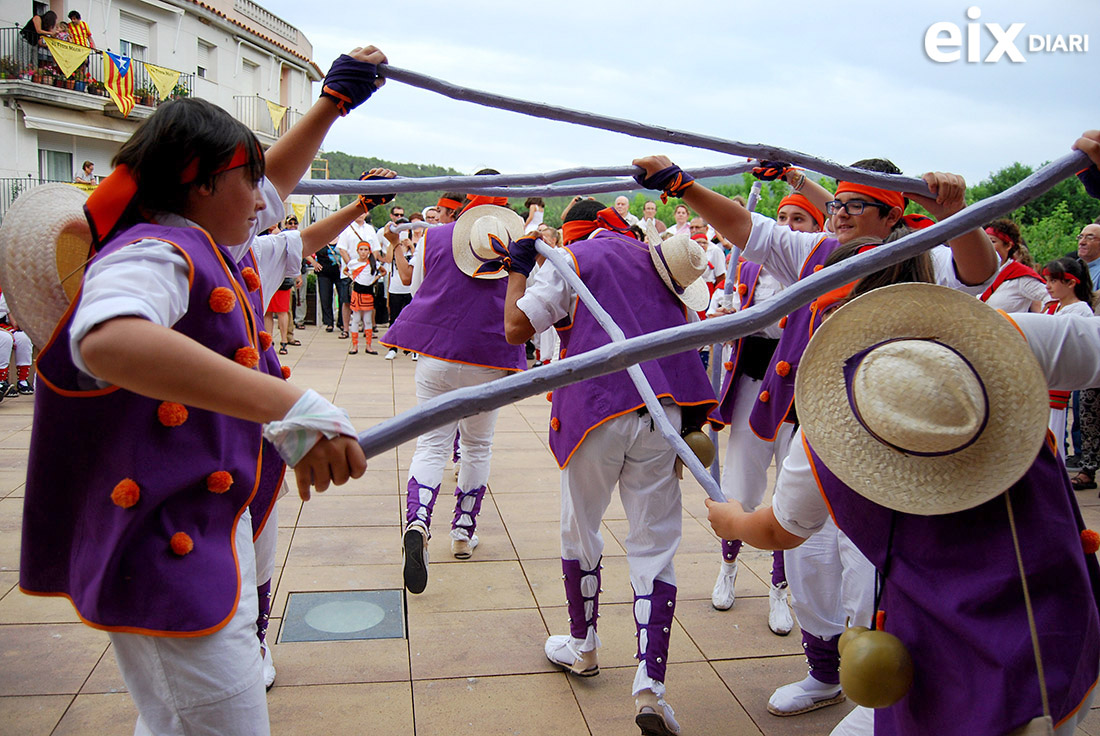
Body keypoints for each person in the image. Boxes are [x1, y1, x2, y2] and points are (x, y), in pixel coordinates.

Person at [14, 46, 386, 735]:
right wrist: (293, 407)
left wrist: (332, 105)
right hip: (164, 541)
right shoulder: (155, 251)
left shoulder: (209, 240)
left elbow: (270, 189)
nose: (266, 199)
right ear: (201, 186)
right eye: (246, 179)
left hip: (203, 523)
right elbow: (107, 340)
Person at [632, 153, 997, 719]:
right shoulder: (818, 250)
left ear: (891, 212)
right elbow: (746, 227)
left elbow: (980, 272)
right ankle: (825, 672)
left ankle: (878, 695)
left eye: (855, 205)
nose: (840, 213)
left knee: (867, 562)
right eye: (839, 203)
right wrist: (685, 186)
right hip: (813, 427)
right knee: (809, 556)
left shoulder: (928, 258)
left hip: (886, 440)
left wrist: (958, 213)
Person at [705, 282, 1100, 736]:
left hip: (961, 659)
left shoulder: (827, 434)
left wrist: (731, 520)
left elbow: (779, 530)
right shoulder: (1008, 336)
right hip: (1064, 628)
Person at [503, 198, 719, 736]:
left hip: (596, 408)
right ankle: (650, 688)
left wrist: (517, 267)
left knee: (580, 528)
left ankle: (584, 647)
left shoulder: (572, 259)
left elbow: (514, 328)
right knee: (654, 545)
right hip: (664, 411)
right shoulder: (657, 258)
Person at [381, 178, 527, 594]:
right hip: (488, 356)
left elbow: (416, 288)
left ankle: (418, 522)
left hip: (435, 352)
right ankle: (462, 532)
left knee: (431, 445)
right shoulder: (518, 244)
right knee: (478, 446)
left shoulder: (433, 237)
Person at [707, 190, 826, 639]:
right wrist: (726, 314)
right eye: (782, 217)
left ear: (818, 228)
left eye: (800, 218)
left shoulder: (820, 269)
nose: (790, 224)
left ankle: (779, 588)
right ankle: (728, 568)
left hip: (800, 395)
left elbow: (781, 325)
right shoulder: (750, 266)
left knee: (791, 493)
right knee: (740, 486)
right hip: (751, 389)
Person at [1041, 256, 1094, 455]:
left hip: (1059, 380)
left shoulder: (1080, 311)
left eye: (1053, 281)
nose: (1047, 286)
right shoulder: (1053, 308)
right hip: (1045, 378)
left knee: (1052, 434)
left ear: (1071, 283)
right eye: (1046, 280)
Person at [980, 218, 1046, 313]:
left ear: (1008, 246)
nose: (986, 246)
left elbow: (1052, 297)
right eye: (984, 241)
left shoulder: (1021, 276)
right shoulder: (976, 274)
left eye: (992, 241)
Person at [347, 242, 384, 355]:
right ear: (357, 251)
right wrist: (352, 277)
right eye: (361, 250)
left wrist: (376, 278)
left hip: (368, 294)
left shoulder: (373, 263)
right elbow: (345, 270)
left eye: (366, 250)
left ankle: (368, 345)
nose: (363, 252)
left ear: (369, 251)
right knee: (356, 319)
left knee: (368, 320)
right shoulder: (353, 263)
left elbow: (383, 271)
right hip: (357, 293)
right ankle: (355, 345)